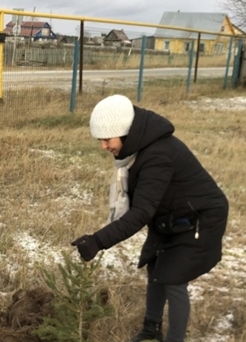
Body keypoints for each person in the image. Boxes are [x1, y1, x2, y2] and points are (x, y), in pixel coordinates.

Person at [71, 95, 228, 342]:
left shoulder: (157, 155)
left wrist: (97, 241)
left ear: (123, 133)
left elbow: (141, 213)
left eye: (106, 139)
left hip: (200, 219)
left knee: (174, 280)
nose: (103, 146)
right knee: (156, 270)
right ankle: (150, 330)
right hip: (170, 217)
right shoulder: (138, 150)